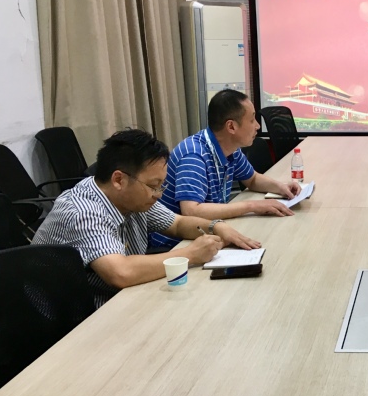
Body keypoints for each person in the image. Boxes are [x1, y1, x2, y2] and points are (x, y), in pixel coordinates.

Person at [32, 129, 260, 307]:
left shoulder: (132, 197)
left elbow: (178, 224)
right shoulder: (83, 211)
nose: (158, 194)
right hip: (71, 317)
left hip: (118, 298)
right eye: (153, 186)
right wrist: (191, 254)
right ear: (119, 180)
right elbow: (121, 273)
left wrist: (216, 226)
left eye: (161, 185)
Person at [150, 89, 301, 248]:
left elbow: (252, 179)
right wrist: (252, 206)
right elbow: (191, 211)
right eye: (252, 120)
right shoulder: (194, 155)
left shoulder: (230, 148)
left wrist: (281, 187)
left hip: (208, 231)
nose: (257, 126)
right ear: (231, 126)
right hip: (177, 244)